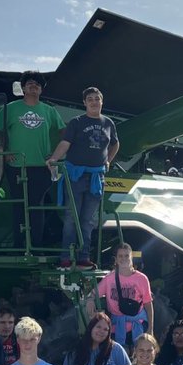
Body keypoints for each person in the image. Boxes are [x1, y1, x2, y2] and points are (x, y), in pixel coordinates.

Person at [0, 71, 64, 249]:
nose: (33, 86)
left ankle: (35, 246)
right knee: (19, 206)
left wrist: (55, 155)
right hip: (16, 166)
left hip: (41, 167)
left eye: (37, 84)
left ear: (41, 90)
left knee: (37, 207)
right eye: (30, 83)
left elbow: (64, 133)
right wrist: (5, 150)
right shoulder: (11, 108)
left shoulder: (49, 111)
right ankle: (19, 246)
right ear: (23, 88)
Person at [47, 86, 119, 271]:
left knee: (88, 220)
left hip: (97, 177)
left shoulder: (108, 123)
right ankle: (66, 257)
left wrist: (108, 161)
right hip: (76, 175)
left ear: (102, 102)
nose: (94, 102)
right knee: (72, 217)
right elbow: (65, 143)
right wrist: (54, 158)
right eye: (90, 99)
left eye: (97, 98)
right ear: (85, 103)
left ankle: (83, 257)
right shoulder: (76, 122)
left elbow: (115, 144)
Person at [87, 242, 153, 349]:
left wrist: (151, 328)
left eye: (127, 255)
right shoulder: (109, 279)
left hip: (138, 325)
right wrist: (90, 300)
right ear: (116, 259)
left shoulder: (142, 279)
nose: (124, 258)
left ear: (131, 257)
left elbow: (148, 304)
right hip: (116, 326)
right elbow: (93, 293)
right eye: (120, 256)